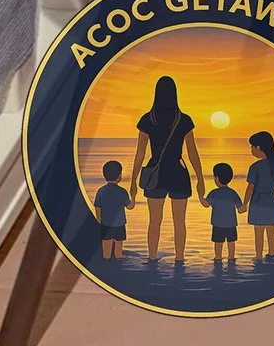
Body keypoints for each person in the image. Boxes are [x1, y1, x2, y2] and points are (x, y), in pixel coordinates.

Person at [128, 75, 205, 264]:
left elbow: (140, 154)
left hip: (156, 173)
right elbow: (192, 153)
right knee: (180, 222)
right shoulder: (183, 120)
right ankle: (179, 259)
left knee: (154, 221)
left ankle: (152, 258)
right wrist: (200, 179)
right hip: (178, 172)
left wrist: (133, 182)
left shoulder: (148, 119)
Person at [243, 132, 274, 261]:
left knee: (259, 230)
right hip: (271, 200)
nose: (251, 150)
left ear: (259, 148)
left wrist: (245, 204)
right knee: (271, 230)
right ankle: (272, 252)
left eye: (252, 147)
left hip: (258, 201)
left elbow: (250, 187)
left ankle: (258, 255)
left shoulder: (255, 167)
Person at [92, 160, 132, 260]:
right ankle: (119, 255)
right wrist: (134, 198)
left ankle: (107, 257)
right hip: (119, 224)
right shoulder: (122, 192)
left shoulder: (101, 191)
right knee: (119, 247)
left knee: (106, 249)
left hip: (106, 224)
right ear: (119, 176)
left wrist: (99, 221)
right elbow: (129, 206)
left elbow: (97, 207)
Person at [204, 162, 241, 265]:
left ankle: (218, 259)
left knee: (218, 244)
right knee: (231, 243)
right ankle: (231, 259)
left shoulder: (214, 193)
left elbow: (206, 204)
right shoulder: (233, 193)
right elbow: (240, 207)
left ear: (216, 178)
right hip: (231, 224)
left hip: (218, 225)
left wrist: (200, 196)